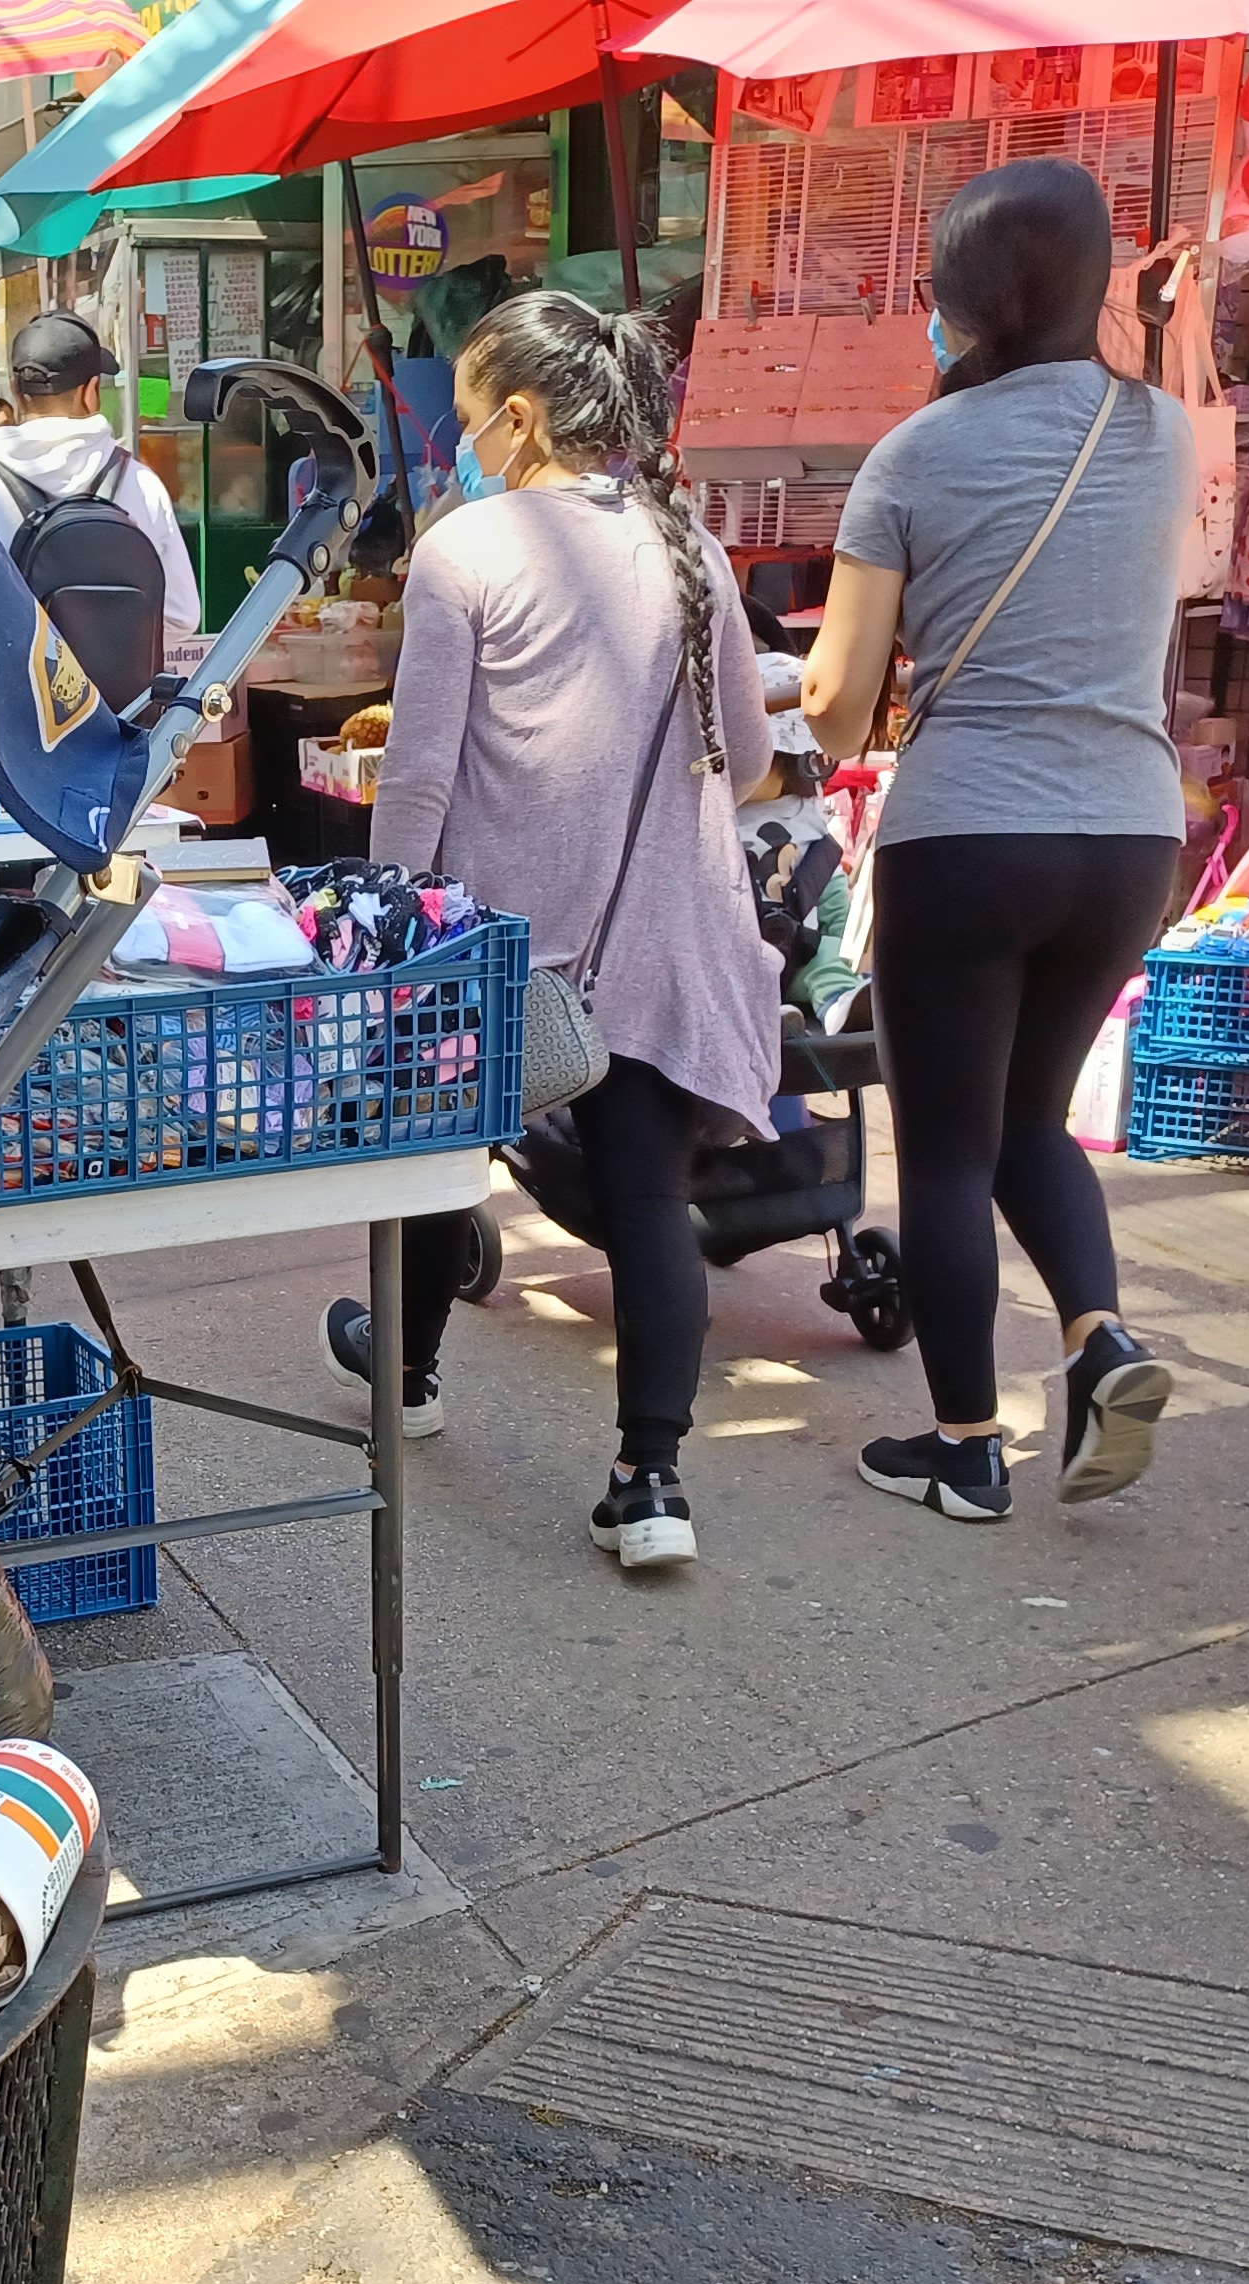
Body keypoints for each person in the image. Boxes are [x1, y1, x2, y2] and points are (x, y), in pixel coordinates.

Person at [319, 288, 783, 1571]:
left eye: (466, 418)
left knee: (432, 1159)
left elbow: (417, 777)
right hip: (661, 938)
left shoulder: (466, 551)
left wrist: (389, 933)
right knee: (648, 1202)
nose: (459, 443)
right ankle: (650, 1484)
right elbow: (742, 755)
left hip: (501, 940)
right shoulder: (689, 548)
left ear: (516, 420)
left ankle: (405, 1375)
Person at [801, 159, 1197, 1525]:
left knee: (954, 1151)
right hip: (1132, 834)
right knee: (1037, 1117)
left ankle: (967, 1447)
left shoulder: (912, 457)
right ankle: (1099, 1338)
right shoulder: (1164, 431)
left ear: (953, 300)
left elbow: (840, 704)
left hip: (971, 830)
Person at [0, 307, 200, 701]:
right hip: (120, 723)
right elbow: (182, 615)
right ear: (91, 392)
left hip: (14, 723)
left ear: (18, 393)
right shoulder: (139, 482)